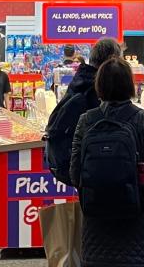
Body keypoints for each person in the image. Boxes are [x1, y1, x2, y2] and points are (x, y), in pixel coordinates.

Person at [70, 57, 144, 267]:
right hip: (139, 218)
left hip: (97, 221)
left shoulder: (87, 120)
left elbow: (75, 171)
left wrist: (95, 192)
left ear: (99, 85)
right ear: (130, 84)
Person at [44, 37, 121, 184]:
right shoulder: (97, 89)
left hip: (67, 163)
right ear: (111, 60)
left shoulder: (80, 80)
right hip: (88, 168)